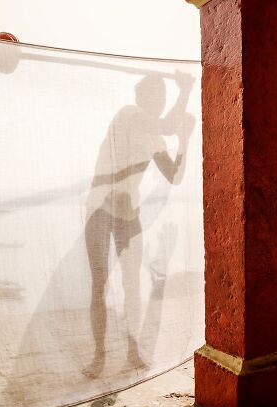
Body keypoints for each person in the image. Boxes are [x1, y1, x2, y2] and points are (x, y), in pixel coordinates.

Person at [83, 71, 195, 376]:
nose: (156, 102)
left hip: (128, 214)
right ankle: (99, 355)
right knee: (99, 282)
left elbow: (174, 176)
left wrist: (185, 140)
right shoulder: (128, 115)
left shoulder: (156, 135)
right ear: (139, 98)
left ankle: (132, 351)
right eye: (152, 96)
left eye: (161, 97)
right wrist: (184, 92)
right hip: (99, 210)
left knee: (132, 285)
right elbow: (170, 124)